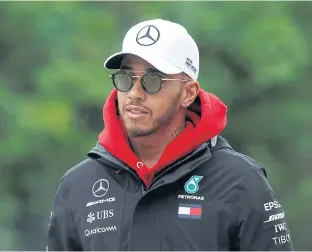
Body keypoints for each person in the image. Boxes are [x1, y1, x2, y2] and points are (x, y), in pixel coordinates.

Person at [46, 19, 294, 251]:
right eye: (126, 77)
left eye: (152, 80)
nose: (135, 93)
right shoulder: (77, 186)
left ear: (188, 93)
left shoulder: (241, 182)